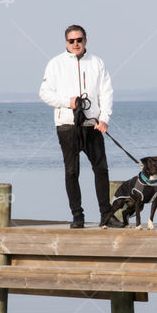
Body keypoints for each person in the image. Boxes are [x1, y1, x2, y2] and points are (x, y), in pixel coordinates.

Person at [39, 24, 117, 228]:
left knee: (101, 169)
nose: (76, 44)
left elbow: (106, 93)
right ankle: (77, 216)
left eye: (79, 39)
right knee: (72, 172)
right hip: (67, 124)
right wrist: (68, 102)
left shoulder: (97, 62)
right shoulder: (55, 64)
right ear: (66, 42)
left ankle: (106, 215)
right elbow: (44, 93)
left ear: (85, 40)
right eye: (72, 41)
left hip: (93, 124)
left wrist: (104, 119)